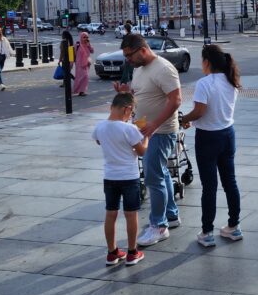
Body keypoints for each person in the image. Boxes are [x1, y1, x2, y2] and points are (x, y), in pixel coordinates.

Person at [116, 33, 181, 246]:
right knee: (159, 172)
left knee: (153, 178)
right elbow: (141, 95)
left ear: (142, 50)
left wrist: (155, 124)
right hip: (147, 130)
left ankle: (158, 226)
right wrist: (126, 93)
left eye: (129, 55)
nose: (128, 60)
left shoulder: (163, 68)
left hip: (161, 132)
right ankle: (170, 215)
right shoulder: (140, 69)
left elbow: (176, 100)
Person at [181, 44, 243, 248]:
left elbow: (199, 111)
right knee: (230, 182)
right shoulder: (230, 80)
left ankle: (207, 231)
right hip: (228, 134)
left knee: (210, 186)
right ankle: (234, 227)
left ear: (207, 61)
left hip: (208, 138)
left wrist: (183, 119)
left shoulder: (205, 83)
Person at [92, 92, 147, 266]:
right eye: (131, 113)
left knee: (111, 213)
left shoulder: (99, 127)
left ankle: (112, 252)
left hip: (110, 177)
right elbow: (141, 151)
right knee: (131, 215)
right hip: (129, 177)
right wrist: (147, 137)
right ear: (127, 109)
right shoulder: (129, 129)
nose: (131, 116)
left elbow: (100, 142)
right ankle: (132, 252)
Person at [73, 31, 93, 96]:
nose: (86, 39)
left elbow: (92, 51)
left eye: (87, 37)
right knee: (80, 77)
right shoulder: (77, 45)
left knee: (86, 77)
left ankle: (82, 91)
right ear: (81, 37)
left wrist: (89, 45)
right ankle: (77, 90)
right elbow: (73, 53)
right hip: (79, 64)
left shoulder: (87, 44)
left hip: (86, 64)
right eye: (84, 37)